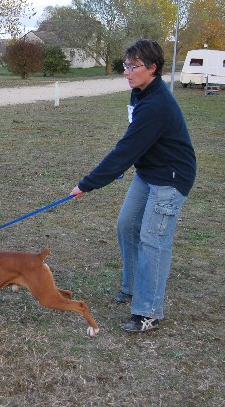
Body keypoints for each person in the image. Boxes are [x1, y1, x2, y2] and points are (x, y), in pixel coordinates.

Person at [69, 38, 196, 333]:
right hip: (149, 172)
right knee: (127, 224)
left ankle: (148, 311)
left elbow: (124, 151)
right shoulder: (140, 93)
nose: (126, 72)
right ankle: (132, 287)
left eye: (133, 66)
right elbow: (136, 145)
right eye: (125, 65)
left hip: (171, 179)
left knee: (154, 240)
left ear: (152, 68)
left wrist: (86, 184)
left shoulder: (156, 104)